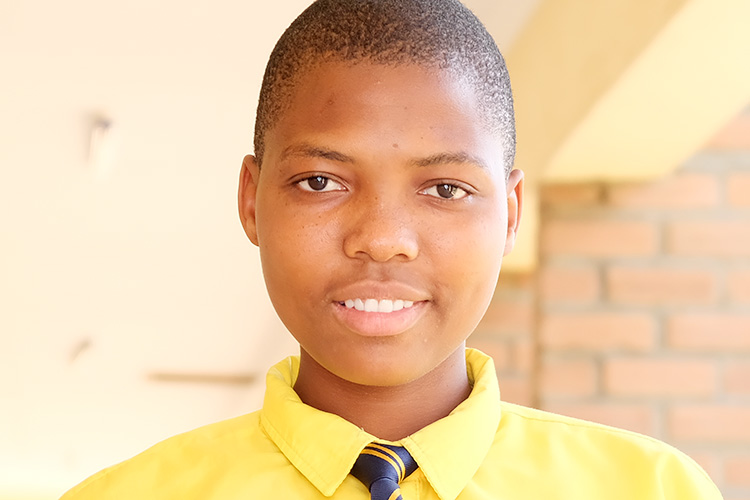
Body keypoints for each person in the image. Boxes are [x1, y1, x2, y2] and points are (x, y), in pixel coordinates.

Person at [60, 0, 723, 499]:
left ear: (511, 212)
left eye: (444, 188)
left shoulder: (653, 489)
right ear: (252, 200)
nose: (381, 238)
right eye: (321, 182)